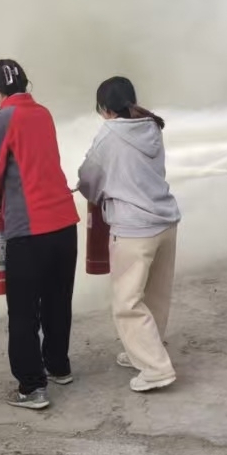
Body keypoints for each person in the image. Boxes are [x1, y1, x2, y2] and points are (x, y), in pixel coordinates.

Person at [0, 59, 80, 410]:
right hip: (64, 223)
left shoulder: (1, 119)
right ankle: (58, 366)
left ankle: (32, 387)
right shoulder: (43, 114)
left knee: (22, 311)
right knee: (57, 300)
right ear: (25, 84)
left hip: (29, 228)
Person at [75, 77, 181, 393]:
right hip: (166, 221)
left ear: (104, 108)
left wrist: (96, 192)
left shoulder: (109, 133)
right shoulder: (152, 126)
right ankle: (144, 352)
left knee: (127, 302)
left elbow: (88, 178)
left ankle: (156, 369)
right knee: (155, 295)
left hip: (134, 229)